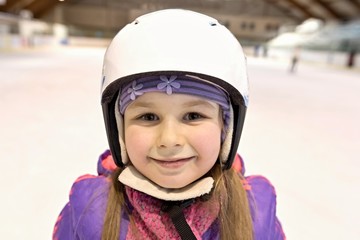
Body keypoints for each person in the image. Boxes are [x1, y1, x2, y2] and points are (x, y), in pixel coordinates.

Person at [53, 9, 285, 240]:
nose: (169, 140)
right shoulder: (89, 212)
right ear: (119, 130)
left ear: (226, 130)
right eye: (148, 117)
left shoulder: (256, 214)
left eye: (193, 116)